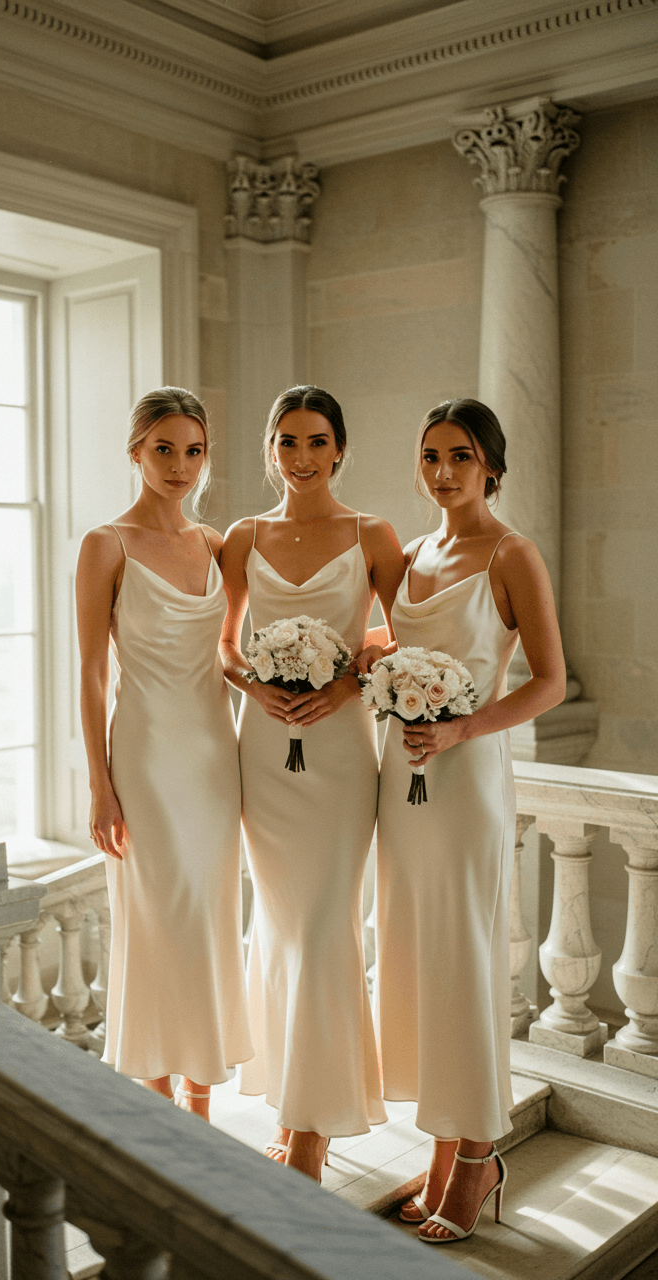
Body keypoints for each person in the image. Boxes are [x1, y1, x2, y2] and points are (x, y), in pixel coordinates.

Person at [366, 398, 565, 1242]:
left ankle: (480, 1153)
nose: (443, 472)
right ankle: (445, 1148)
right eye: (431, 456)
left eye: (461, 456)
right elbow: (385, 642)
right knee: (418, 962)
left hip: (468, 778)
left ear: (491, 466)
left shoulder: (512, 553)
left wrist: (459, 725)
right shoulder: (409, 556)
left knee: (467, 963)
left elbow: (548, 680)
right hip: (399, 784)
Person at [220, 385, 404, 1181]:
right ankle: (293, 1095)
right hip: (263, 747)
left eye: (317, 442)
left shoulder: (372, 533)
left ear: (340, 450)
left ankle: (313, 1129)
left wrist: (348, 678)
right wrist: (251, 685)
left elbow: (409, 628)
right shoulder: (242, 536)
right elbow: (226, 643)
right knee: (284, 924)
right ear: (271, 449)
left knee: (328, 924)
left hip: (337, 752)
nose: (302, 458)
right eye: (288, 442)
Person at [76, 387, 252, 1119]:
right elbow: (91, 671)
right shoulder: (106, 544)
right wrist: (99, 786)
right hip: (145, 757)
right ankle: (155, 1103)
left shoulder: (215, 545)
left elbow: (231, 653)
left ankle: (202, 1099)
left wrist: (298, 684)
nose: (181, 466)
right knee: (157, 917)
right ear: (135, 452)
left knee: (209, 916)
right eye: (164, 449)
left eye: (194, 451)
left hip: (215, 753)